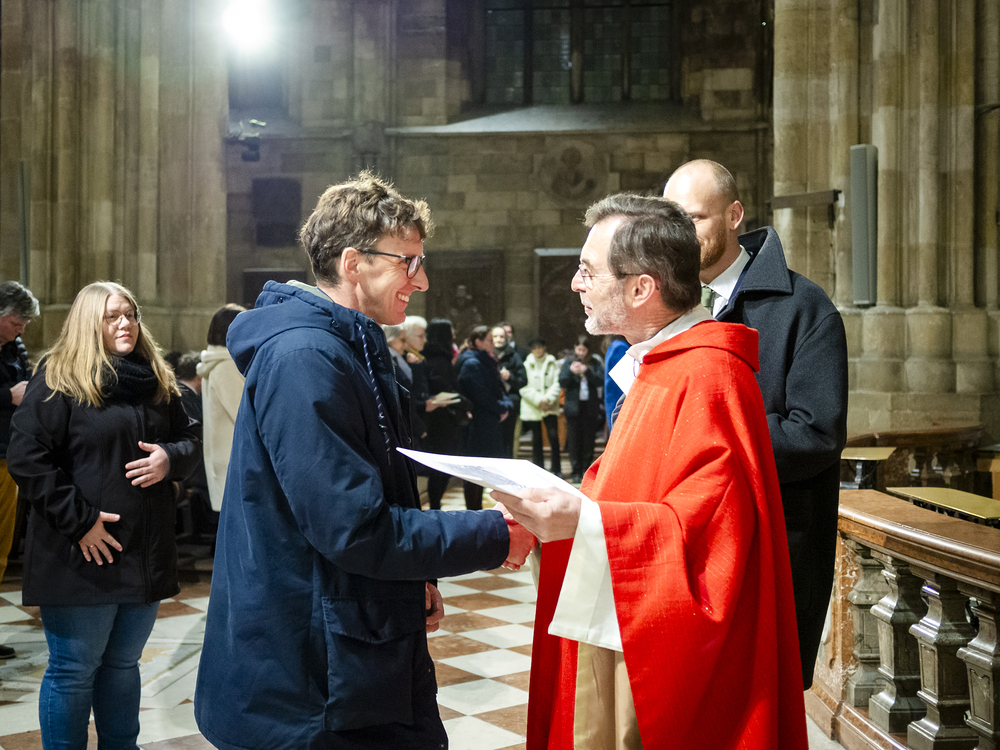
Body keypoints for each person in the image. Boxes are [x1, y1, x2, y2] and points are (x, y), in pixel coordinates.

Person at [194, 172, 534, 750]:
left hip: (347, 640)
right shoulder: (305, 358)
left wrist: (413, 578)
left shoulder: (347, 346)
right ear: (353, 263)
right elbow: (352, 526)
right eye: (409, 262)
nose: (421, 280)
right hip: (310, 680)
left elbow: (375, 486)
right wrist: (495, 533)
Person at [492, 194, 807, 749]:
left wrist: (585, 523)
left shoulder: (709, 376)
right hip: (620, 624)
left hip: (658, 663)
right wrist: (549, 513)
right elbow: (625, 489)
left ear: (642, 288)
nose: (576, 284)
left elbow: (713, 541)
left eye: (588, 270)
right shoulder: (661, 366)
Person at [664, 159, 849, 689]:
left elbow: (816, 433)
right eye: (672, 220)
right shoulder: (664, 304)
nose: (681, 234)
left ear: (734, 215)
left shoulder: (803, 307)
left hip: (771, 546)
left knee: (759, 705)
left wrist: (709, 434)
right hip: (684, 542)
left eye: (695, 218)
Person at [6, 281, 200, 749]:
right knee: (74, 671)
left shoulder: (156, 378)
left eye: (130, 315)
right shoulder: (59, 378)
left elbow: (191, 439)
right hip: (81, 553)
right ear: (88, 322)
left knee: (123, 665)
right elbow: (27, 459)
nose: (125, 323)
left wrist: (169, 458)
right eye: (112, 316)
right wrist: (81, 522)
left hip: (142, 549)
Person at [0, 281, 39, 659]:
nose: (21, 329)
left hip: (7, 452)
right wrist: (6, 396)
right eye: (16, 322)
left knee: (1, 546)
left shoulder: (16, 346)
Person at [455, 325, 512, 510]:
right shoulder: (472, 363)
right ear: (478, 342)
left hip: (487, 422)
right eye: (489, 339)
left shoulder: (484, 360)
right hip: (478, 425)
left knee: (485, 469)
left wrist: (503, 405)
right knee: (475, 471)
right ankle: (474, 511)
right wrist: (500, 408)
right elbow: (480, 394)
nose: (493, 343)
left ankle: (482, 510)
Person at [197, 304, 246, 512]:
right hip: (235, 462)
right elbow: (244, 414)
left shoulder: (216, 362)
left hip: (225, 459)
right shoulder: (226, 366)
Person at [420, 318, 469, 510]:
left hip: (439, 418)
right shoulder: (439, 359)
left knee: (441, 468)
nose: (454, 336)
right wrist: (465, 403)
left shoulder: (436, 356)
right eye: (451, 332)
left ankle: (435, 505)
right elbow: (443, 387)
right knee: (441, 467)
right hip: (441, 421)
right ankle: (435, 506)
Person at [559, 335, 603, 483]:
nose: (581, 353)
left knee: (588, 440)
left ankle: (586, 469)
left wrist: (587, 371)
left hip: (589, 407)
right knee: (574, 440)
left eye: (584, 350)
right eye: (579, 350)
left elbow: (600, 381)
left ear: (588, 350)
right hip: (573, 407)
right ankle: (575, 470)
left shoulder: (594, 362)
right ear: (575, 348)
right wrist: (571, 372)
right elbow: (562, 382)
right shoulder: (568, 362)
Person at [519, 337, 562, 476]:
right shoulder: (526, 364)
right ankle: (539, 470)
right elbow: (523, 385)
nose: (537, 350)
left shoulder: (552, 362)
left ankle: (556, 469)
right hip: (533, 406)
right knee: (536, 440)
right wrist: (538, 400)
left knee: (553, 437)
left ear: (544, 348)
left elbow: (557, 382)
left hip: (550, 405)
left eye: (540, 347)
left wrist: (548, 399)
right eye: (535, 348)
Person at [492, 324, 526, 458]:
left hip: (510, 402)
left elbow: (523, 380)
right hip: (490, 403)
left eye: (501, 337)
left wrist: (510, 377)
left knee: (508, 440)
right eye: (495, 336)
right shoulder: (486, 354)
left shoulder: (513, 355)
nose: (498, 339)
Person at [602, 335, 628, 430]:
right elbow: (626, 383)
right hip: (620, 403)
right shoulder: (620, 348)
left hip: (613, 402)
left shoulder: (614, 345)